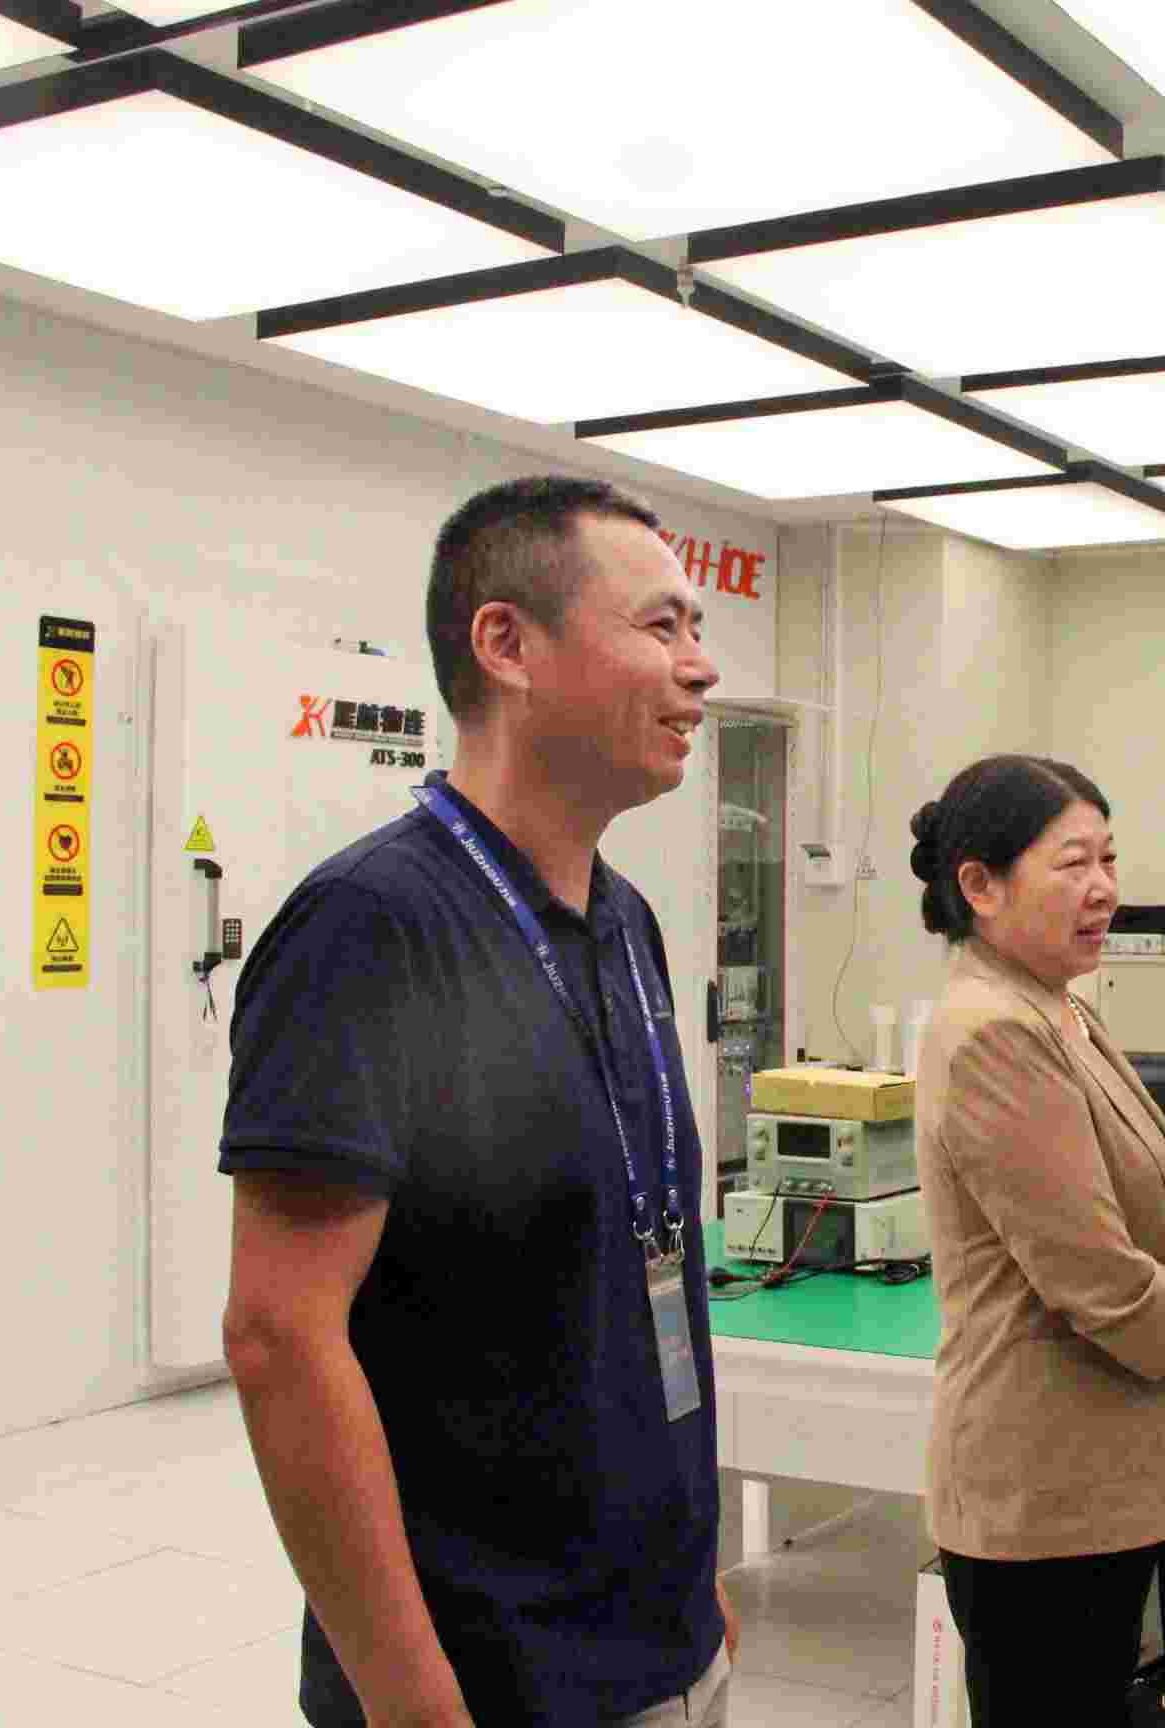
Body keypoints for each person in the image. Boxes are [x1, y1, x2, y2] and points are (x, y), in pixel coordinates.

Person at [218, 476, 733, 1728]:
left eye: (698, 629)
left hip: (659, 1638)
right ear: (506, 643)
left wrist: (688, 1574)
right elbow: (281, 1338)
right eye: (661, 626)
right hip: (490, 1677)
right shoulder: (370, 927)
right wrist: (412, 1699)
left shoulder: (625, 924)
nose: (701, 667)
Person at [906, 754, 1165, 1724]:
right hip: (1043, 1488)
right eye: (1072, 862)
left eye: (1109, 858)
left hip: (1092, 1472)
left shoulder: (1055, 1007)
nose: (1104, 888)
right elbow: (1094, 1277)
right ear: (981, 885)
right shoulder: (993, 1030)